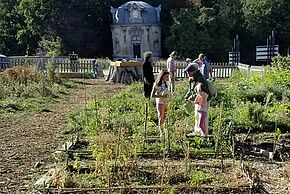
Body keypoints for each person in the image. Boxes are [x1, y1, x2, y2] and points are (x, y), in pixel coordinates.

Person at [151, 69, 170, 137]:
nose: (168, 78)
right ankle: (161, 132)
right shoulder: (157, 84)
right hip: (160, 102)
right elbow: (152, 95)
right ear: (162, 76)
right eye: (166, 76)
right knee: (161, 116)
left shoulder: (167, 83)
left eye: (168, 76)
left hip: (166, 101)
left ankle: (165, 129)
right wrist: (161, 95)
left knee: (165, 116)